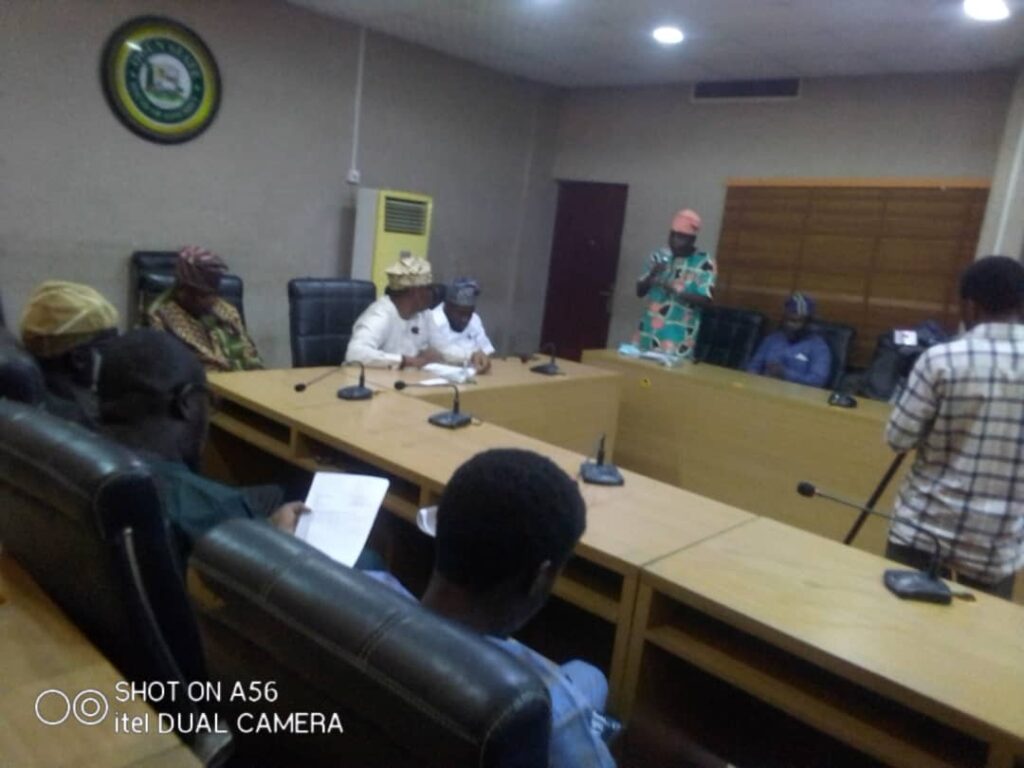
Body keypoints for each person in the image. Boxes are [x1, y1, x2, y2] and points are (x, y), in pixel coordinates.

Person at [371, 449, 616, 768]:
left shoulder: (365, 587)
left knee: (590, 676)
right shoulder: (546, 705)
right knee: (589, 678)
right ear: (541, 577)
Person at [885, 255, 1024, 599]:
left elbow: (897, 438)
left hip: (921, 536)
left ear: (970, 306)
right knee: (967, 650)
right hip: (996, 549)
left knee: (894, 643)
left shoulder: (940, 360)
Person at [97, 329, 305, 558]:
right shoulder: (214, 509)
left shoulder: (81, 448)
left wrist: (267, 525)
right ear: (186, 403)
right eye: (208, 402)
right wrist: (279, 539)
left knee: (276, 492)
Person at [147, 246, 263, 372]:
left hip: (240, 384)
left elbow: (251, 358)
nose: (212, 300)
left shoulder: (226, 310)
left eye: (214, 292)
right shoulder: (161, 316)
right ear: (183, 291)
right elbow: (168, 372)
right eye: (203, 294)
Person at [20, 280, 120, 426]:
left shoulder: (39, 395)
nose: (116, 355)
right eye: (109, 348)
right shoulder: (85, 419)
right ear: (78, 359)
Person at [633, 208, 716, 359]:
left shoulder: (704, 262)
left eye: (681, 237)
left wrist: (674, 290)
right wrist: (653, 273)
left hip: (677, 339)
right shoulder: (658, 256)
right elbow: (640, 292)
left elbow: (706, 300)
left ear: (692, 239)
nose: (674, 241)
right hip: (647, 333)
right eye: (672, 235)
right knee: (642, 381)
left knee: (666, 382)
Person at [345, 252, 443, 369]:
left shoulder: (424, 314)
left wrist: (467, 356)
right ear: (415, 291)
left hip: (406, 381)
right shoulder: (381, 314)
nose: (433, 293)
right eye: (429, 288)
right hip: (370, 382)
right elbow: (355, 354)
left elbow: (442, 348)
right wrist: (406, 361)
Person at [746, 292, 832, 388]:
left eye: (797, 321)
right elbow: (753, 367)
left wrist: (785, 373)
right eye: (788, 320)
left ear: (808, 323)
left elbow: (818, 381)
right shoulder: (772, 339)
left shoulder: (818, 347)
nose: (790, 325)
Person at [428, 277, 495, 373]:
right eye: (460, 313)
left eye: (469, 313)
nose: (465, 319)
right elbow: (442, 352)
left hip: (475, 375)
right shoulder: (432, 320)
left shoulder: (474, 319)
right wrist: (471, 356)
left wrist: (483, 360)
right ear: (447, 306)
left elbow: (487, 350)